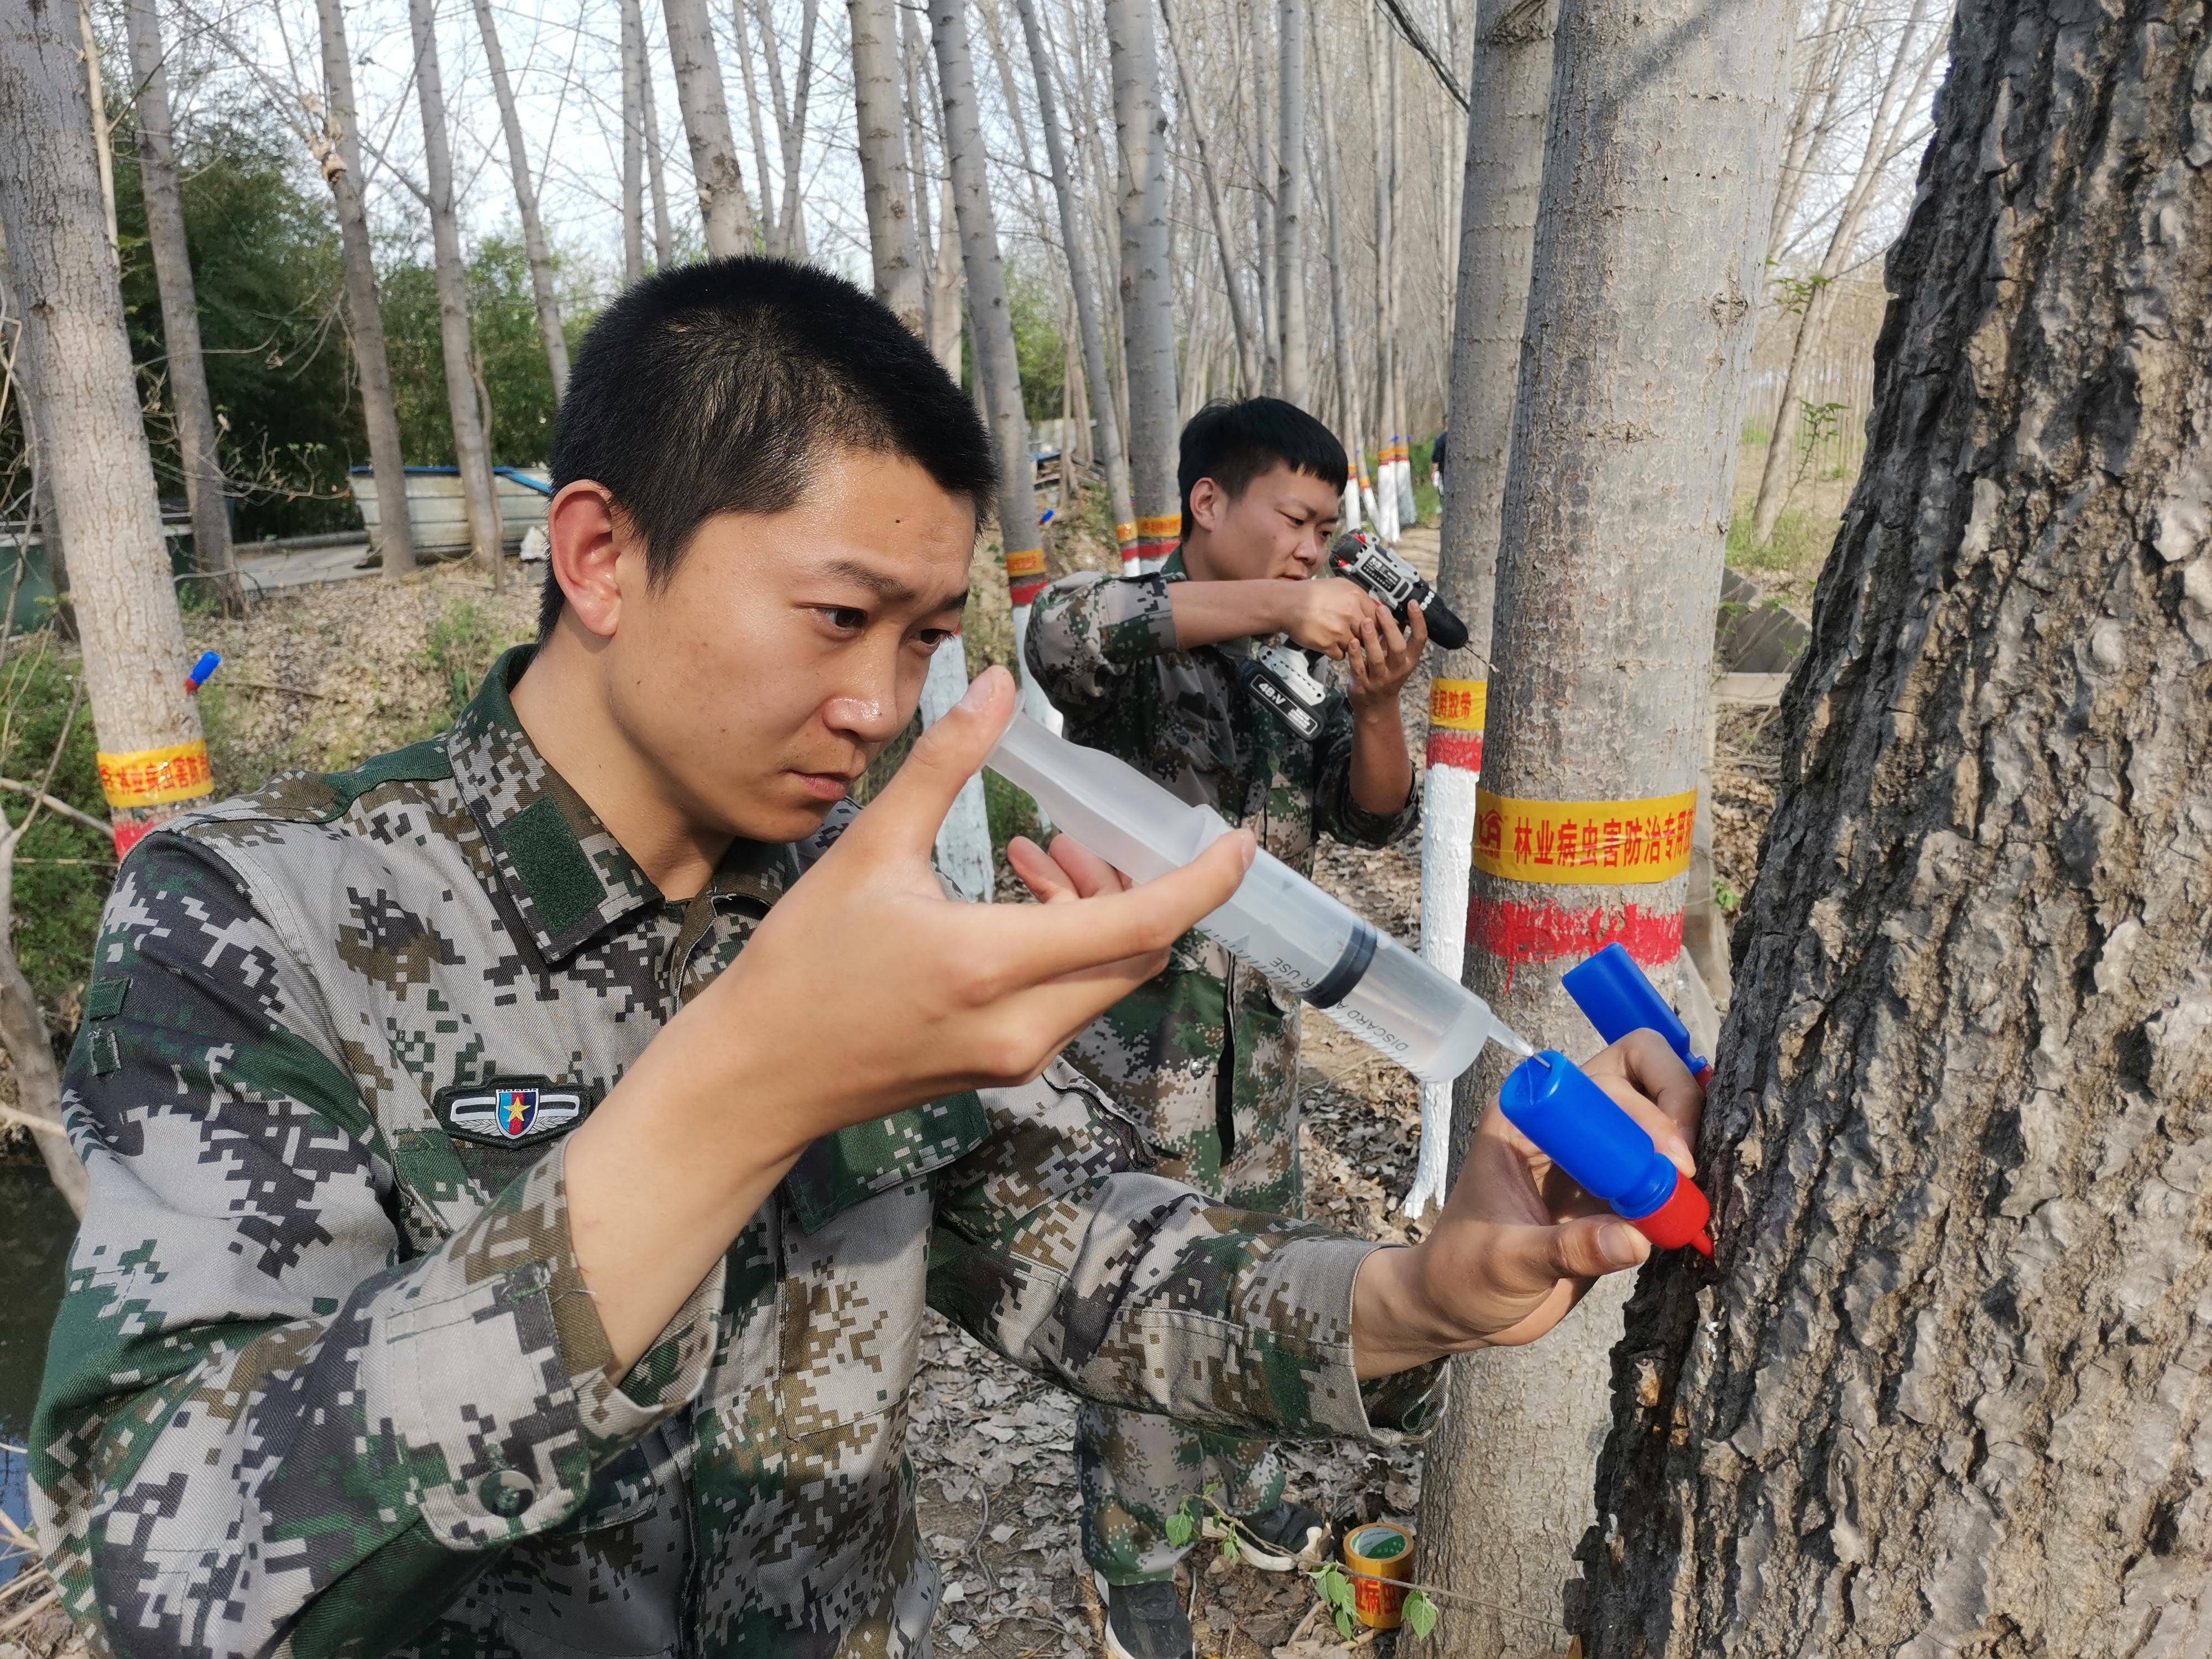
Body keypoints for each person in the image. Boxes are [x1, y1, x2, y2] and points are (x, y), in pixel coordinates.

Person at [33, 264, 1701, 1659]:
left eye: (923, 639)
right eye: (840, 619)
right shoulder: (262, 916)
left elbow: (1077, 1261)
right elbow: (169, 1576)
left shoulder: (841, 883)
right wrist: (746, 1090)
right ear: (602, 556)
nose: (885, 708)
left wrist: (1412, 1297)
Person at [1023, 399, 1428, 1659]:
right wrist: (1280, 607)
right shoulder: (1137, 644)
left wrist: (1374, 701)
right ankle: (1135, 1557)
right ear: (1209, 504)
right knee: (1135, 1294)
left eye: (1327, 529)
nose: (1313, 550)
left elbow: (1368, 822)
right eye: (1294, 521)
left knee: (1255, 1269)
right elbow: (1057, 628)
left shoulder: (1287, 670)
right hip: (1136, 1052)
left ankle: (1246, 1490)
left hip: (1254, 1059)